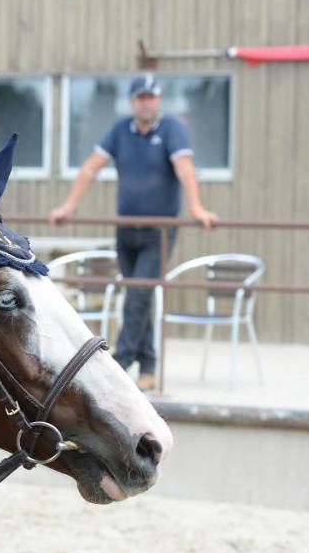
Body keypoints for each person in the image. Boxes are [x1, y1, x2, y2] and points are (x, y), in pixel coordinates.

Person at [49, 74, 218, 391]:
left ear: (158, 100)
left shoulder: (171, 129)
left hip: (159, 231)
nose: (147, 102)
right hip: (126, 229)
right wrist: (68, 206)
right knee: (137, 297)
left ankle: (118, 362)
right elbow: (91, 167)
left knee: (138, 295)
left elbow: (184, 168)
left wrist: (196, 207)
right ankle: (149, 366)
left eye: (152, 97)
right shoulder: (120, 130)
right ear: (132, 101)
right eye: (141, 97)